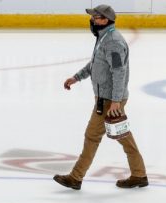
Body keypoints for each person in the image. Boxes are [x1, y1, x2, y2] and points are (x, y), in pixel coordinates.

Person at [53, 4, 148, 191]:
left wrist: (115, 102)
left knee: (92, 136)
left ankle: (75, 177)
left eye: (95, 17)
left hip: (108, 100)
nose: (92, 20)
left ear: (105, 20)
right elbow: (95, 64)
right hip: (107, 99)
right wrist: (76, 77)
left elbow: (119, 73)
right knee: (124, 136)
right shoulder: (104, 38)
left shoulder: (113, 42)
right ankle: (139, 174)